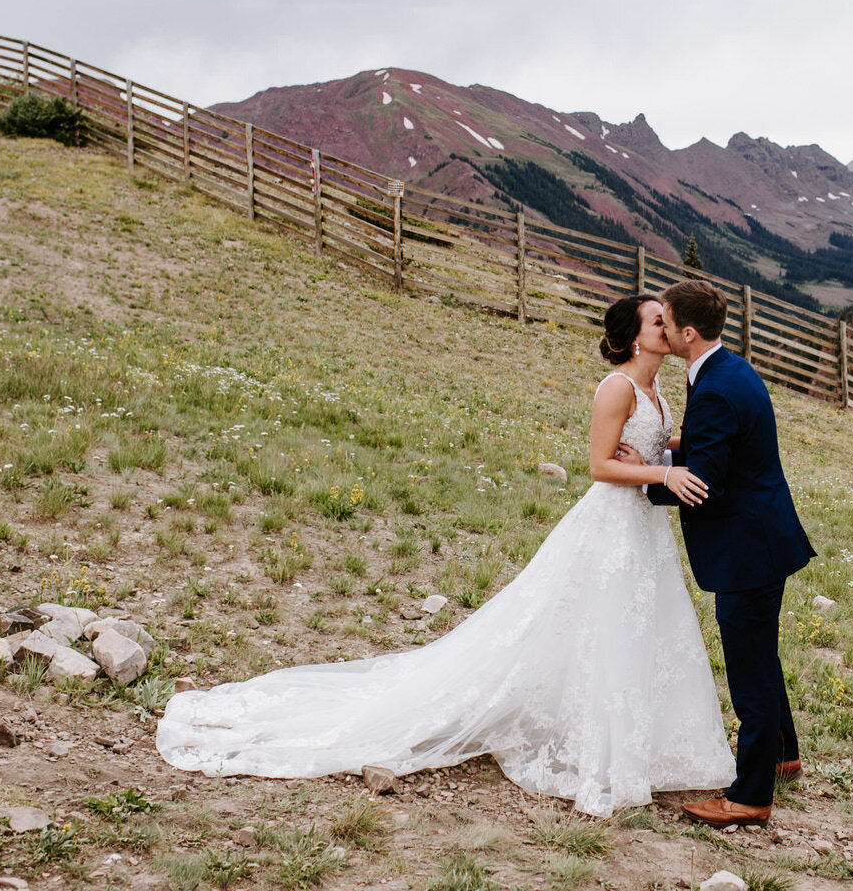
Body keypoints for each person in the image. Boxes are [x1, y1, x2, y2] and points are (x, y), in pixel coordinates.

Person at [155, 294, 735, 817]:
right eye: (658, 320)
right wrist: (662, 471)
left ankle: (632, 740)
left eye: (668, 319)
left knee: (634, 631)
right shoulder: (617, 388)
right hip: (612, 527)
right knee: (593, 624)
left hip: (644, 533)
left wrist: (668, 452)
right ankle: (598, 746)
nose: (669, 325)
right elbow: (599, 466)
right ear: (637, 336)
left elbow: (650, 444)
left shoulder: (659, 389)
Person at [642, 280, 815, 828]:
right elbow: (720, 441)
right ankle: (783, 756)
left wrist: (643, 480)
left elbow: (705, 483)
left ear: (686, 333)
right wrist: (671, 448)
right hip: (765, 536)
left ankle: (750, 795)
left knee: (748, 668)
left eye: (665, 322)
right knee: (762, 655)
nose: (661, 329)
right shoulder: (727, 368)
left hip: (748, 549)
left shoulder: (713, 388)